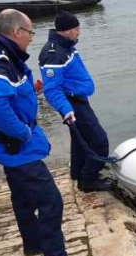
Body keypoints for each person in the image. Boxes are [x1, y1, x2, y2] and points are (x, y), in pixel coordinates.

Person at [0, 9, 80, 256]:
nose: (32, 38)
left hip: (3, 143)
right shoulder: (0, 63)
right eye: (30, 32)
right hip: (15, 144)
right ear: (16, 32)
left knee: (22, 195)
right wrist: (22, 132)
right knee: (50, 200)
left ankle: (33, 243)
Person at [39, 11, 111, 193]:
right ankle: (89, 179)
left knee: (81, 141)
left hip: (79, 99)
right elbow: (51, 89)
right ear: (66, 30)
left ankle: (78, 173)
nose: (79, 31)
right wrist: (66, 110)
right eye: (76, 28)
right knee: (99, 141)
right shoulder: (54, 53)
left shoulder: (67, 46)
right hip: (72, 103)